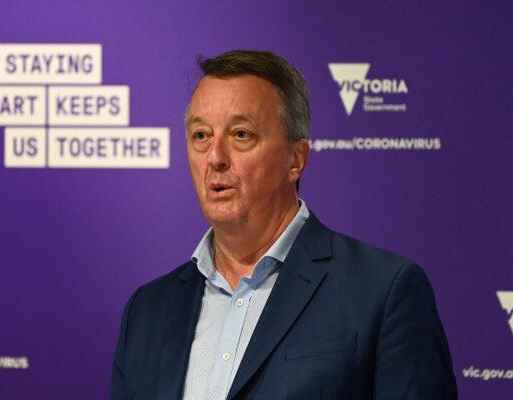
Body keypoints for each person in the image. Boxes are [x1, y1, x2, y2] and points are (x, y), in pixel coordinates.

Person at [110, 50, 457, 399]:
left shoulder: (383, 291)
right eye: (201, 135)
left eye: (241, 134)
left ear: (296, 159)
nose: (214, 157)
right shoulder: (147, 312)